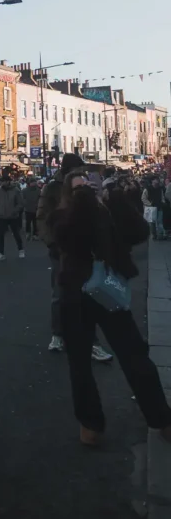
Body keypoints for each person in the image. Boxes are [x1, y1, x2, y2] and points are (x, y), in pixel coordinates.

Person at [50, 170, 171, 446]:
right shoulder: (63, 216)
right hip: (75, 295)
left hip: (108, 290)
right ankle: (90, 423)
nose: (84, 193)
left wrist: (114, 199)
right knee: (79, 364)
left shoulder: (107, 212)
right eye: (78, 189)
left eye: (88, 188)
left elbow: (139, 232)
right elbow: (63, 240)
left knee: (134, 355)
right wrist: (84, 204)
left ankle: (161, 418)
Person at [37, 153, 113, 362]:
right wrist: (52, 242)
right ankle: (58, 334)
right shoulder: (53, 188)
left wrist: (100, 198)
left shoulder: (86, 186)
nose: (82, 173)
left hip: (85, 249)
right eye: (78, 169)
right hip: (61, 248)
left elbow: (101, 218)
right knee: (59, 293)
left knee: (88, 295)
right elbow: (42, 216)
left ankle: (93, 343)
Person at [0, 174, 24, 260]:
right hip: (2, 216)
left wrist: (14, 211)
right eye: (1, 182)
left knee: (16, 234)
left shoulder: (16, 190)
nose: (2, 183)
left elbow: (20, 203)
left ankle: (21, 249)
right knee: (0, 235)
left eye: (3, 181)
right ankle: (1, 253)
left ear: (8, 181)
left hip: (13, 216)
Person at [142, 177, 165, 241]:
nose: (157, 180)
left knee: (160, 221)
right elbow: (143, 198)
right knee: (152, 222)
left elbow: (162, 196)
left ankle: (160, 234)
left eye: (157, 179)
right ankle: (154, 235)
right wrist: (149, 204)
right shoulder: (147, 189)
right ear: (152, 181)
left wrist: (163, 202)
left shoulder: (160, 188)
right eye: (155, 179)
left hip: (159, 206)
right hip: (151, 208)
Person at [22, 177, 41, 241]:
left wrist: (38, 204)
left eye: (34, 182)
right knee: (28, 222)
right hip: (28, 208)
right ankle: (28, 233)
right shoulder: (24, 190)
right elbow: (22, 198)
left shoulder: (38, 190)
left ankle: (35, 234)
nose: (33, 183)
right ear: (29, 183)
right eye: (32, 182)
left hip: (36, 208)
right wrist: (25, 203)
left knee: (35, 222)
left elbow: (40, 198)